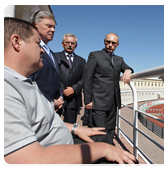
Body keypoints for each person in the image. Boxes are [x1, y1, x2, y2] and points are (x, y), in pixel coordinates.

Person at [4, 17, 138, 166]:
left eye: (114, 43)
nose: (42, 49)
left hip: (81, 119)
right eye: (37, 43)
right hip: (61, 142)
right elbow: (27, 160)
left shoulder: (27, 82)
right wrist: (102, 149)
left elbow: (45, 120)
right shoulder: (7, 89)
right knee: (115, 149)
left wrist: (76, 128)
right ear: (16, 42)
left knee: (107, 132)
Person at [83, 33, 134, 145]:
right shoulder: (95, 55)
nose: (110, 45)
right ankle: (100, 154)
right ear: (104, 42)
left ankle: (109, 150)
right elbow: (87, 79)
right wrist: (88, 100)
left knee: (111, 129)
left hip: (113, 101)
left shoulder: (119, 59)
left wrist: (127, 71)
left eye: (113, 43)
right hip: (99, 101)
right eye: (108, 42)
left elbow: (126, 67)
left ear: (117, 45)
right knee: (101, 130)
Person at [28, 10, 63, 111]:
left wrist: (60, 97)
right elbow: (29, 81)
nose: (53, 30)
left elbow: (56, 78)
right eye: (49, 26)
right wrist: (50, 101)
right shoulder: (29, 49)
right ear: (34, 25)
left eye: (54, 27)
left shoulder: (50, 52)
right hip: (38, 108)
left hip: (54, 108)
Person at [55, 33, 86, 123]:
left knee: (71, 127)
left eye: (72, 43)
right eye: (67, 42)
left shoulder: (81, 61)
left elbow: (85, 77)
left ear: (76, 46)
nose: (69, 45)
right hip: (58, 96)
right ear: (62, 44)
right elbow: (52, 75)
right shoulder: (55, 57)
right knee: (54, 125)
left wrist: (74, 89)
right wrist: (63, 89)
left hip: (74, 98)